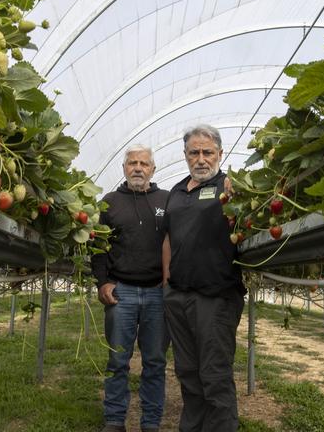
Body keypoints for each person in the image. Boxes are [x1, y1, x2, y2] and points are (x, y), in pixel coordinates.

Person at [162, 124, 246, 432]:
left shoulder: (229, 187)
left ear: (220, 154)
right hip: (178, 296)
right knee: (187, 372)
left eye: (207, 152)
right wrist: (166, 284)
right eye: (194, 152)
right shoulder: (176, 192)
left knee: (214, 376)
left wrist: (239, 191)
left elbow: (244, 218)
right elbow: (168, 238)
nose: (201, 159)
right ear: (185, 155)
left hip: (215, 296)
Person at [92, 144, 170, 432]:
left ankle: (150, 423)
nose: (138, 168)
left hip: (157, 293)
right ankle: (114, 420)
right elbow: (98, 247)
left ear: (152, 169)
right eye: (132, 163)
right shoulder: (110, 202)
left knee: (155, 361)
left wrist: (169, 281)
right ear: (124, 168)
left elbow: (176, 241)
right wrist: (103, 281)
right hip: (121, 291)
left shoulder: (167, 199)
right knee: (117, 358)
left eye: (144, 163)